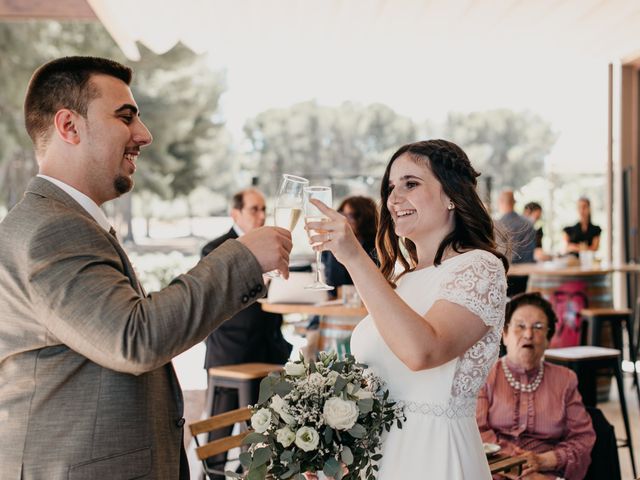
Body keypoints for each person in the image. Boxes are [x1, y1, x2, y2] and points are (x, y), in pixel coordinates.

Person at [0, 56, 292, 479]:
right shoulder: (54, 228)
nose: (145, 135)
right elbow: (133, 337)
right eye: (125, 117)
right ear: (69, 126)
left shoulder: (59, 221)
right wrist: (243, 257)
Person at [306, 139, 508, 479]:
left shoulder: (480, 268)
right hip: (375, 460)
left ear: (452, 196)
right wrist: (336, 449)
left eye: (410, 184)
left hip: (433, 456)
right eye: (390, 188)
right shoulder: (400, 280)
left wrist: (354, 257)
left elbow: (422, 352)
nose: (394, 198)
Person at [200, 187, 292, 478]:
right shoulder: (215, 249)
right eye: (254, 209)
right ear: (235, 212)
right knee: (221, 431)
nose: (262, 215)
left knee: (265, 429)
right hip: (230, 349)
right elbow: (213, 300)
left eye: (264, 209)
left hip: (268, 349)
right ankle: (213, 475)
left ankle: (251, 472)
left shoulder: (273, 249)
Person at [476, 292, 596, 479]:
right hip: (495, 472)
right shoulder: (484, 376)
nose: (529, 334)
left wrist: (543, 461)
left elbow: (582, 438)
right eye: (520, 326)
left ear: (549, 339)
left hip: (546, 473)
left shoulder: (565, 379)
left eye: (538, 327)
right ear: (505, 334)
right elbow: (477, 433)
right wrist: (518, 468)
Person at [321, 195, 378, 296]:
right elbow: (333, 286)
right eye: (342, 215)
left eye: (351, 216)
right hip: (337, 304)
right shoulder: (330, 245)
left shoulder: (377, 247)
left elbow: (371, 285)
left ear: (365, 219)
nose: (344, 221)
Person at [497, 190, 536, 296]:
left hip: (507, 273)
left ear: (500, 202)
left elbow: (498, 252)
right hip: (525, 273)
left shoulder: (498, 225)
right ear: (514, 202)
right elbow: (532, 251)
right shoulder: (528, 223)